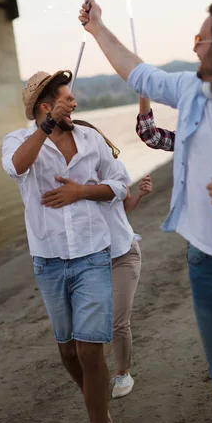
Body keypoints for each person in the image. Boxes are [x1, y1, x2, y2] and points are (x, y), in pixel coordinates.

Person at [79, 0, 212, 423]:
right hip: (206, 263)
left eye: (199, 40)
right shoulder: (191, 90)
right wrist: (98, 28)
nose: (194, 49)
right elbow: (138, 71)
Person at [2, 71, 130, 423]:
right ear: (46, 106)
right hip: (49, 260)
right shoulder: (19, 141)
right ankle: (94, 399)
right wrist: (45, 127)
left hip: (93, 254)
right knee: (68, 353)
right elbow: (16, 167)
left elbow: (120, 184)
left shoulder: (91, 139)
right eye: (66, 99)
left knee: (90, 350)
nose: (75, 103)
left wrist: (82, 192)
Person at [71, 119, 152, 398]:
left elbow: (122, 209)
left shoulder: (113, 173)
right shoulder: (72, 181)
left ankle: (122, 374)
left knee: (118, 321)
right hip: (94, 260)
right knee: (96, 325)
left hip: (124, 254)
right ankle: (100, 371)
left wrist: (138, 194)